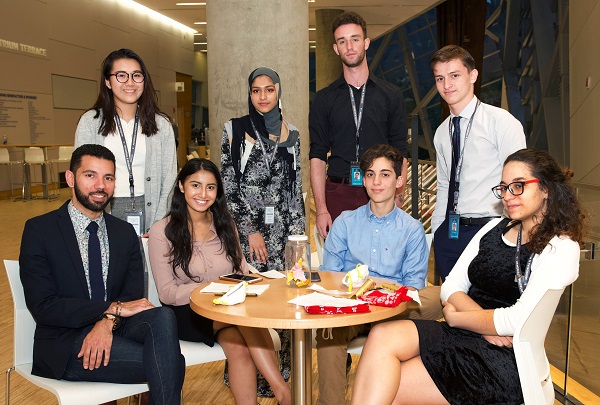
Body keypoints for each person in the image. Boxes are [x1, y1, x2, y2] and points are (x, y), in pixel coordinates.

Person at [350, 148, 584, 405]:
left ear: (546, 188)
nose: (508, 196)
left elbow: (517, 320)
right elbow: (450, 286)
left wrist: (459, 317)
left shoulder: (560, 248)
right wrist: (473, 322)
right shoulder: (494, 228)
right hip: (462, 333)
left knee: (387, 386)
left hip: (502, 359)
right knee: (381, 335)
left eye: (518, 186)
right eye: (504, 187)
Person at [19, 144, 185, 405]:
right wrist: (111, 309)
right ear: (70, 178)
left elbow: (131, 295)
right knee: (169, 362)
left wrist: (107, 321)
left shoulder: (123, 232)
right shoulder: (40, 230)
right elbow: (44, 306)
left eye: (108, 178)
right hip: (66, 341)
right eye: (90, 175)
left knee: (162, 316)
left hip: (115, 326)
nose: (100, 185)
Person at [148, 158, 291, 405]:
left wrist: (255, 282)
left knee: (239, 347)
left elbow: (241, 269)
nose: (203, 194)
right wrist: (215, 288)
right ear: (181, 186)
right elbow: (167, 293)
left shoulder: (225, 225)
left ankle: (267, 397)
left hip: (228, 310)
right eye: (195, 185)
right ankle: (284, 393)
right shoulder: (163, 231)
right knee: (243, 318)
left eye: (210, 187)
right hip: (188, 313)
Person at [315, 144, 442, 405]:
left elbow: (412, 287)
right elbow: (330, 277)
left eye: (385, 174)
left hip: (393, 308)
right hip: (351, 306)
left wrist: (383, 296)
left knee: (447, 296)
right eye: (370, 174)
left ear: (399, 180)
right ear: (362, 179)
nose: (377, 181)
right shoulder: (345, 222)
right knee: (328, 332)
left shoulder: (412, 230)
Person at [430, 45, 526, 281]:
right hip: (450, 233)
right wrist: (437, 233)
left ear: (472, 76)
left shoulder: (500, 122)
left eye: (454, 75)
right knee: (452, 306)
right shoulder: (442, 133)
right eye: (440, 78)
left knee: (482, 308)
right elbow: (443, 186)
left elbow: (519, 182)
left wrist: (512, 234)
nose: (447, 85)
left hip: (490, 229)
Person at [309, 11, 408, 239]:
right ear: (336, 49)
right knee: (338, 266)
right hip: (337, 192)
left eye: (355, 39)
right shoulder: (324, 99)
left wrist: (398, 197)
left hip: (379, 190)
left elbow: (399, 151)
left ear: (366, 43)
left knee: (380, 262)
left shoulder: (391, 96)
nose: (349, 46)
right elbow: (317, 155)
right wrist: (321, 209)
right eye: (342, 41)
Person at [75, 48, 177, 235]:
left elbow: (169, 178)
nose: (130, 82)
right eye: (121, 75)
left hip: (151, 208)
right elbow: (81, 176)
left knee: (146, 264)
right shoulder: (90, 122)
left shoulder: (161, 124)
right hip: (103, 209)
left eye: (136, 75)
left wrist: (158, 222)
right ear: (107, 81)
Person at [221, 67, 304, 272]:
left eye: (269, 90)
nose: (263, 96)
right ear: (249, 94)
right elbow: (229, 186)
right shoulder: (235, 130)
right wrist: (250, 231)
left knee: (283, 295)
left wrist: (297, 241)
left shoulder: (291, 133)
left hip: (283, 231)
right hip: (247, 232)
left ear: (278, 92)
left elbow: (295, 192)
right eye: (256, 91)